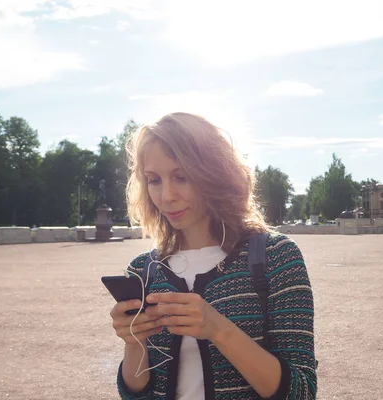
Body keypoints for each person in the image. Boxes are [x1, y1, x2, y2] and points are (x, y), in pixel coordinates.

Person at [109, 112, 317, 400]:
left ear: (215, 174)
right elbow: (136, 394)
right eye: (154, 180)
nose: (166, 195)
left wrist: (219, 330)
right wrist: (134, 342)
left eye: (181, 177)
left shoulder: (276, 258)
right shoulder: (144, 271)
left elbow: (302, 392)